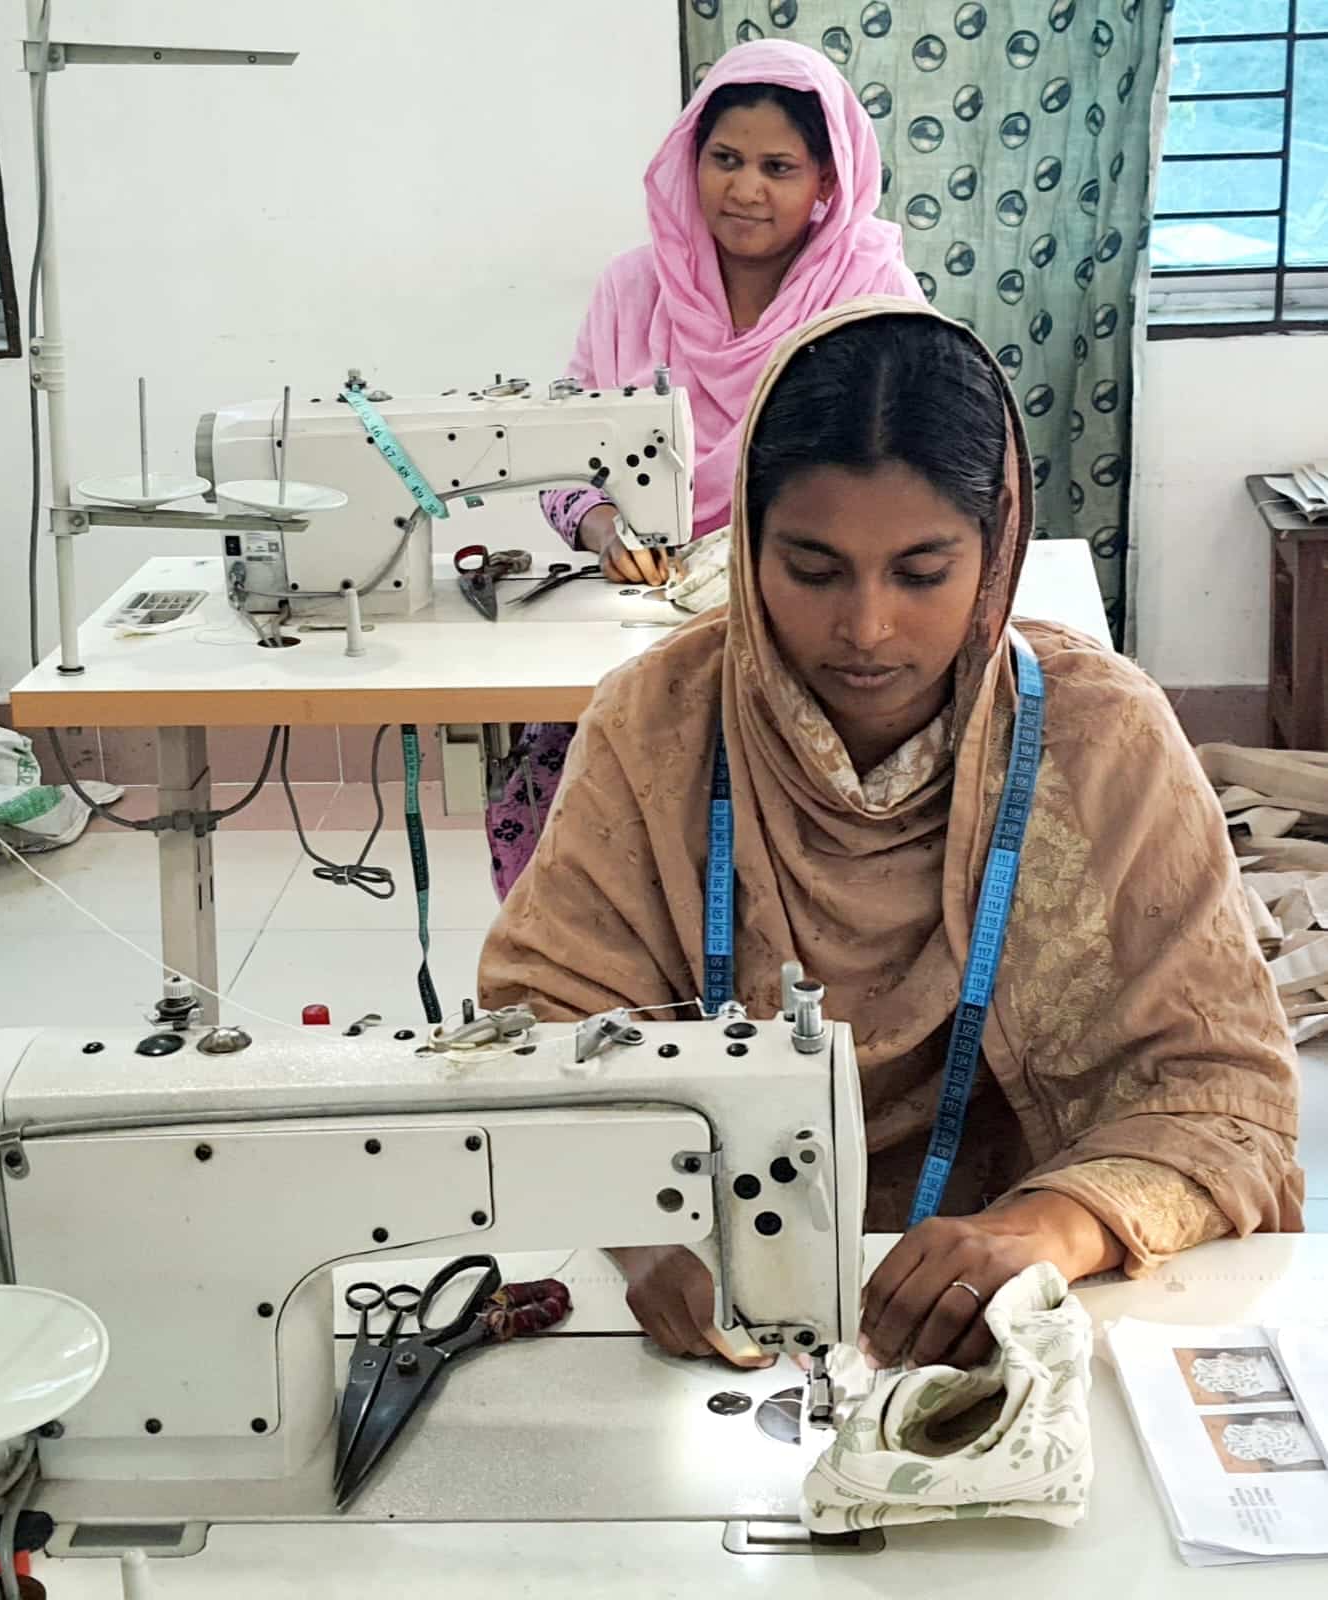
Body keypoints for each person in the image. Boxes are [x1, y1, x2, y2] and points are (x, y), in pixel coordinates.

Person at [479, 296, 1302, 1373]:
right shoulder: (658, 724)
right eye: (812, 570)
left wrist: (1044, 1227)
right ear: (746, 549)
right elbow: (541, 1026)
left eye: (920, 573)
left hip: (1025, 1298)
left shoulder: (1100, 739)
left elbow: (1226, 1099)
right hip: (724, 1282)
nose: (865, 628)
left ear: (995, 547)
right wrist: (640, 1235)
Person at [486, 40, 924, 900]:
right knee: (556, 790)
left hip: (812, 608)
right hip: (643, 606)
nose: (745, 189)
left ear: (827, 182)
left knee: (772, 819)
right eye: (724, 159)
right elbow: (560, 449)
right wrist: (601, 526)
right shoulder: (633, 289)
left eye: (777, 166)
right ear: (691, 162)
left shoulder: (870, 290)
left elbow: (909, 472)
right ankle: (587, 978)